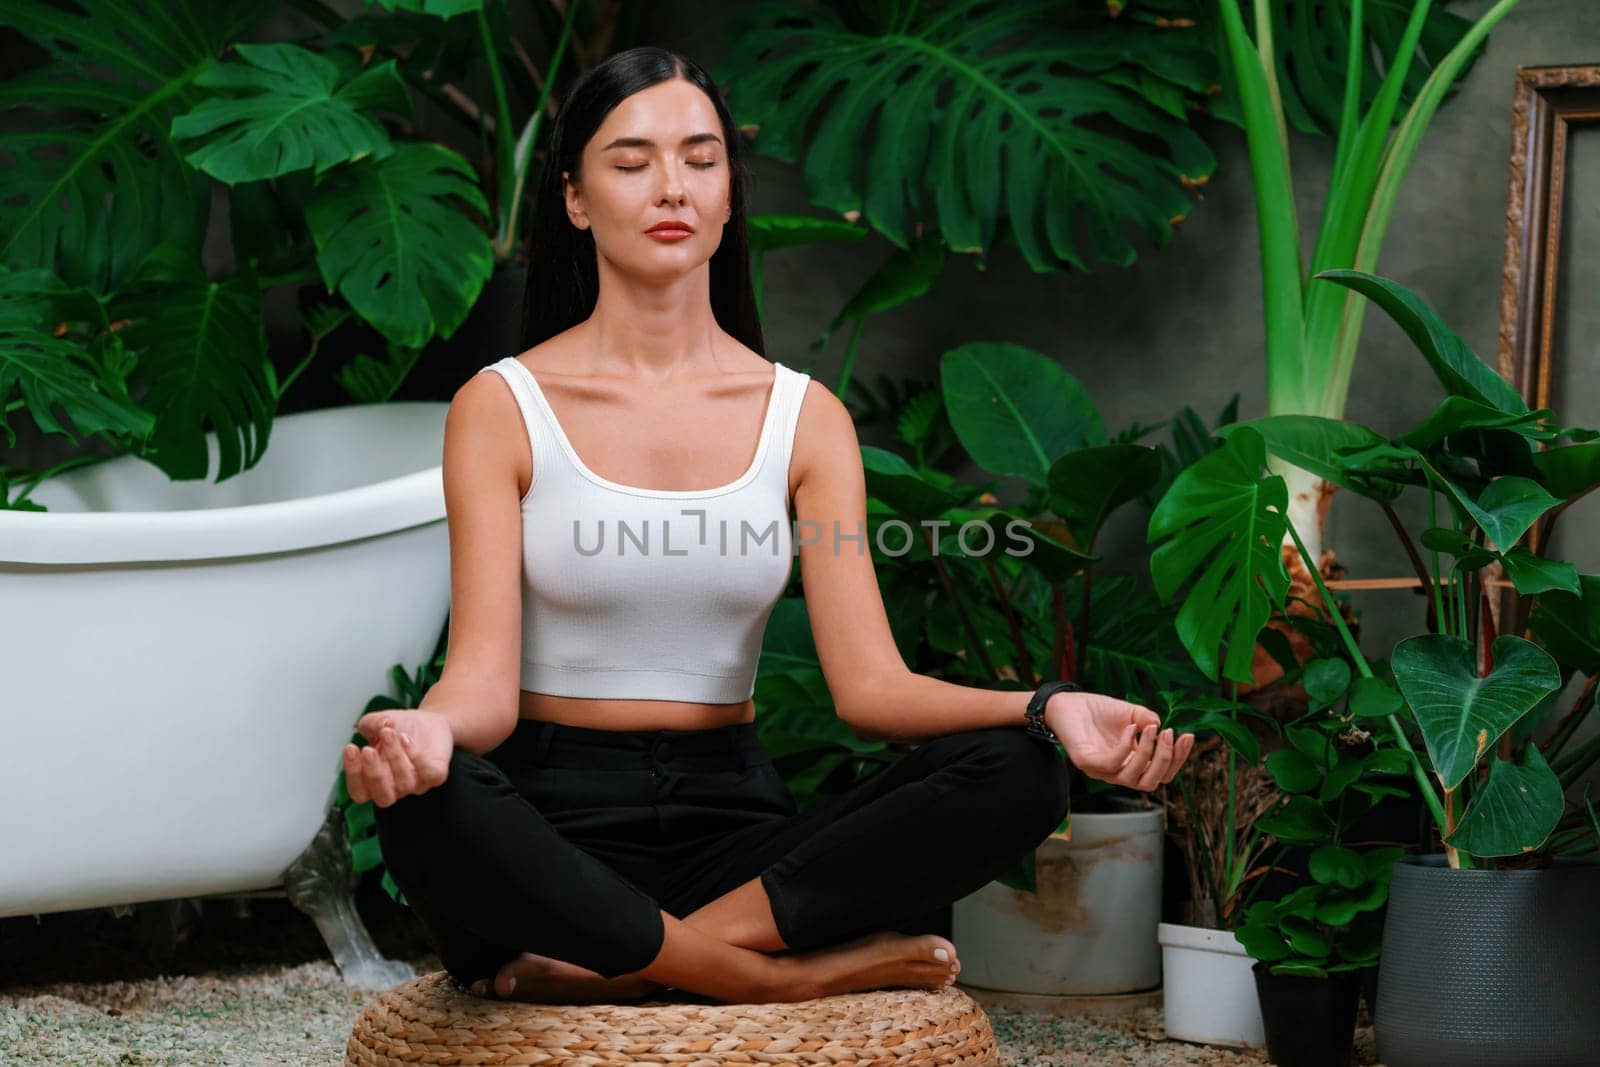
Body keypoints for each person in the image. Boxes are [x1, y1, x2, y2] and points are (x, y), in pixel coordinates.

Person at [344, 45, 1196, 1007]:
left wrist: (1047, 705)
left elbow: (872, 689)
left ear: (729, 193)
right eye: (631, 162)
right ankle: (770, 980)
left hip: (736, 840)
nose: (672, 186)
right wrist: (423, 732)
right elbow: (484, 691)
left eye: (701, 159)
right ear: (576, 198)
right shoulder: (502, 405)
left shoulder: (804, 418)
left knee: (1021, 774)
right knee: (424, 804)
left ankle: (622, 965)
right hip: (552, 834)